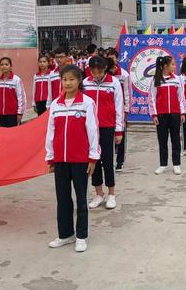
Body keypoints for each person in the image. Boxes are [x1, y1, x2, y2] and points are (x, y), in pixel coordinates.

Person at [45, 65, 99, 253]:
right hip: (60, 160)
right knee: (63, 198)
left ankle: (81, 235)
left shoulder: (86, 103)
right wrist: (50, 157)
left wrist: (93, 157)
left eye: (71, 79)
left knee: (81, 197)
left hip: (80, 159)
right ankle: (65, 234)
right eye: (64, 79)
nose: (67, 83)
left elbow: (93, 131)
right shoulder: (55, 105)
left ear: (79, 81)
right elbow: (51, 132)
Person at [83, 57, 124, 211]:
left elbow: (119, 107)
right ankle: (99, 193)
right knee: (94, 160)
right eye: (93, 69)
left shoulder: (113, 83)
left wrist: (119, 130)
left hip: (107, 127)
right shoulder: (85, 83)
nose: (96, 73)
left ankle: (111, 194)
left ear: (105, 68)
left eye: (99, 70)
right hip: (89, 128)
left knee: (108, 160)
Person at [148, 56, 186, 175]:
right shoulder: (156, 80)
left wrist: (182, 112)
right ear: (165, 66)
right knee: (162, 140)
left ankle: (176, 164)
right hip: (161, 115)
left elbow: (181, 97)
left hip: (175, 114)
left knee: (175, 139)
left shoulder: (177, 79)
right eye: (173, 64)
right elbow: (151, 99)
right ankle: (163, 164)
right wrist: (154, 115)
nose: (175, 67)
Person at [106, 48, 131, 172]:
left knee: (120, 134)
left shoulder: (124, 74)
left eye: (112, 58)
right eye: (108, 58)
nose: (111, 61)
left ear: (117, 59)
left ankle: (120, 161)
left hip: (120, 110)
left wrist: (126, 110)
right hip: (107, 110)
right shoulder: (104, 74)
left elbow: (127, 93)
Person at [0, 57, 26, 127]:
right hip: (1, 113)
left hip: (13, 113)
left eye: (6, 64)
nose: (4, 66)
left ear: (11, 66)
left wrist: (20, 113)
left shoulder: (16, 80)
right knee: (4, 134)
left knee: (13, 134)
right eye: (2, 65)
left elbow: (21, 97)